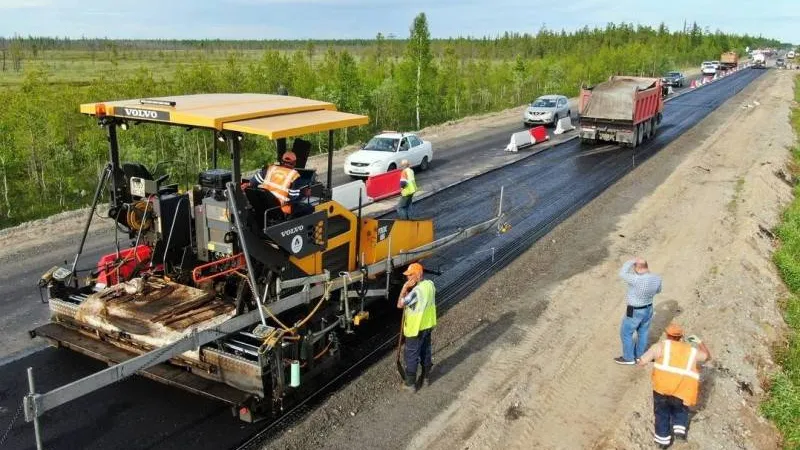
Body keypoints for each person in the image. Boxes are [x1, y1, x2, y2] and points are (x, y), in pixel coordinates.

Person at [638, 323, 711, 448]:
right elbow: (706, 356)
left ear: (667, 335)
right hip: (682, 389)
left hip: (662, 389)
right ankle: (680, 433)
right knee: (681, 410)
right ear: (681, 337)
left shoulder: (660, 347)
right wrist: (699, 342)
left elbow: (642, 362)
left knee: (661, 413)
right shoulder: (691, 351)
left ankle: (662, 442)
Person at [396, 262, 437, 391]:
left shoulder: (416, 292)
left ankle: (410, 384)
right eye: (408, 276)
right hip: (428, 324)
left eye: (411, 275)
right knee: (426, 350)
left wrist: (404, 288)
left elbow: (400, 304)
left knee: (411, 354)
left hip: (416, 328)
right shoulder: (430, 285)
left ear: (418, 275)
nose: (408, 278)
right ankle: (425, 377)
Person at [615, 257, 662, 365]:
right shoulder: (657, 278)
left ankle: (628, 358)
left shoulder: (635, 279)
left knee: (626, 333)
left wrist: (631, 261)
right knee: (643, 333)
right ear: (647, 266)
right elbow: (658, 291)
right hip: (648, 308)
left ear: (637, 267)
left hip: (634, 310)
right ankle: (639, 356)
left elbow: (622, 273)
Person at [250, 151, 310, 217]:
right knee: (309, 208)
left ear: (281, 161)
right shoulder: (294, 175)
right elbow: (294, 198)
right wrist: (304, 194)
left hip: (264, 206)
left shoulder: (270, 169)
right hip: (282, 209)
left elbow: (252, 182)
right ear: (294, 163)